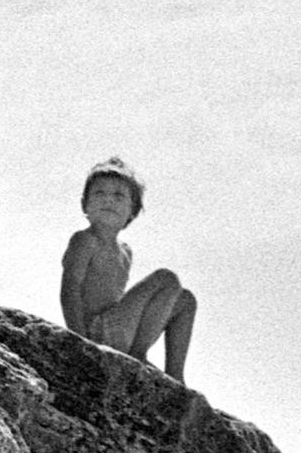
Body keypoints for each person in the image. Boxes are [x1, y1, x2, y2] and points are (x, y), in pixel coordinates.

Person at [59, 158, 198, 383]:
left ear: (132, 210)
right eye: (99, 193)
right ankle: (137, 354)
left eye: (118, 196)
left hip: (119, 329)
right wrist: (80, 341)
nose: (108, 200)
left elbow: (120, 299)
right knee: (166, 278)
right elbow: (70, 289)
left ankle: (175, 375)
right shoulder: (85, 240)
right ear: (85, 205)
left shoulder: (125, 252)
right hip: (96, 329)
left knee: (186, 300)